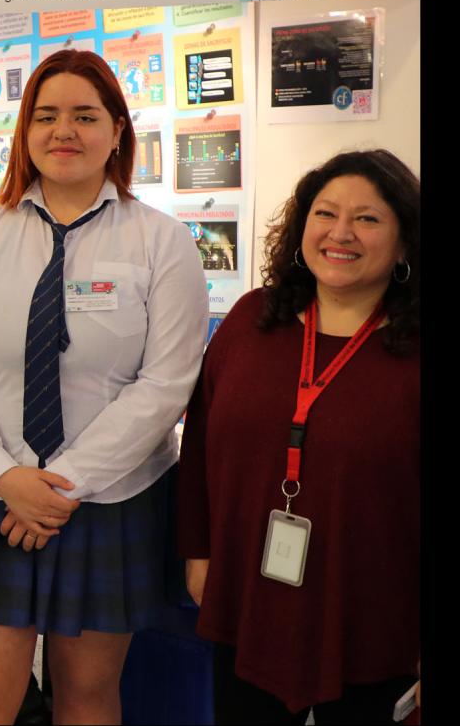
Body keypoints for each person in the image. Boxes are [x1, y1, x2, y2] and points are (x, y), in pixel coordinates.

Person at [0, 48, 208, 724]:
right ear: (24, 132)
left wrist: (61, 484)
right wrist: (6, 476)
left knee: (86, 697)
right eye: (45, 116)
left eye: (84, 115)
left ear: (117, 130)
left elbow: (166, 383)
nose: (64, 131)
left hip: (110, 500)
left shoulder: (161, 242)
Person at [178, 149, 420, 724]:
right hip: (249, 596)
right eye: (325, 213)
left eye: (367, 218)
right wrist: (198, 553)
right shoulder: (251, 319)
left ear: (405, 242)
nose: (341, 233)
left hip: (375, 613)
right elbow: (199, 447)